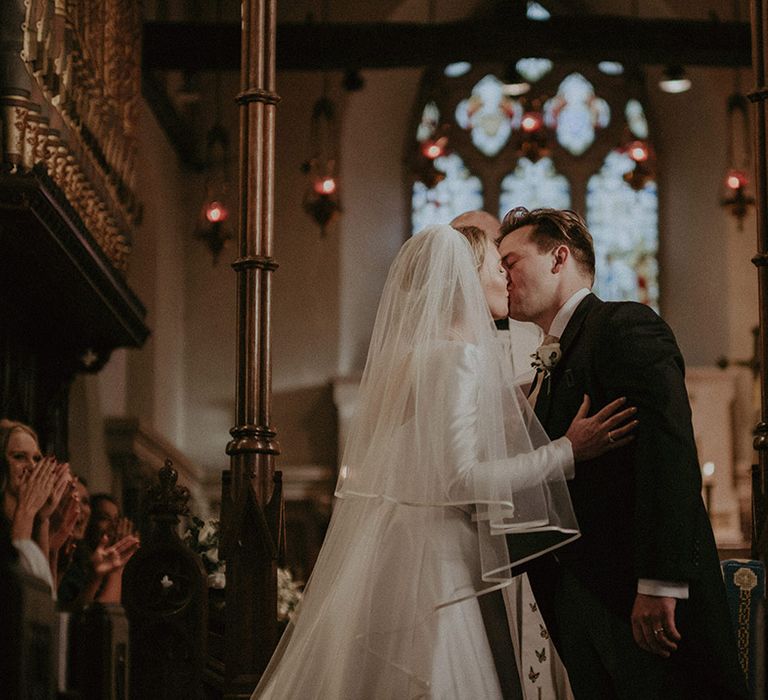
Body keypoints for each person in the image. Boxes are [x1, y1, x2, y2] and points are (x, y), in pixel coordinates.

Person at [252, 224, 635, 698]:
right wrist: (566, 451)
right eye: (499, 268)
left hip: (409, 546)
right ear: (466, 277)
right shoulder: (457, 358)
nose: (507, 281)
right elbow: (459, 480)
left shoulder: (422, 356)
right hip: (437, 562)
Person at [497, 206, 748, 699]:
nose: (501, 276)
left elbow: (669, 453)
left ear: (559, 258)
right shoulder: (547, 364)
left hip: (634, 590)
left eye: (511, 262)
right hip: (577, 594)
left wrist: (660, 582)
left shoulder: (623, 325)